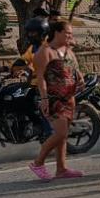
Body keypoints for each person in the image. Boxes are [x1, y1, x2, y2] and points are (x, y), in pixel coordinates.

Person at [28, 21, 85, 181]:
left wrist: (80, 78)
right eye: (67, 33)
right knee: (61, 133)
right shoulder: (45, 52)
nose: (70, 36)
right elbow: (40, 78)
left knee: (64, 136)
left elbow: (75, 69)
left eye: (71, 33)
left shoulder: (68, 50)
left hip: (69, 98)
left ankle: (61, 168)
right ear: (57, 32)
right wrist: (44, 98)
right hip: (54, 99)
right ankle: (38, 162)